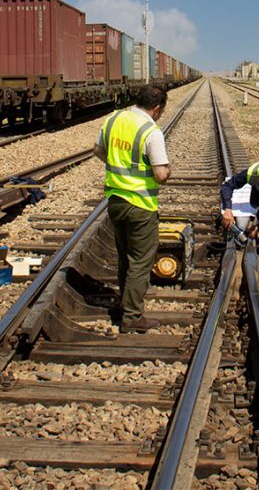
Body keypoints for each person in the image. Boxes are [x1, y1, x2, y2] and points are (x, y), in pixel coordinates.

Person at [94, 85, 171, 333]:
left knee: (125, 257)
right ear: (156, 108)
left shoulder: (113, 119)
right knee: (140, 260)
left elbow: (97, 150)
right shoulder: (152, 131)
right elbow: (160, 174)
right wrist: (168, 172)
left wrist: (120, 168)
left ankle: (126, 304)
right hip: (140, 204)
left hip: (115, 200)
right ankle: (132, 316)